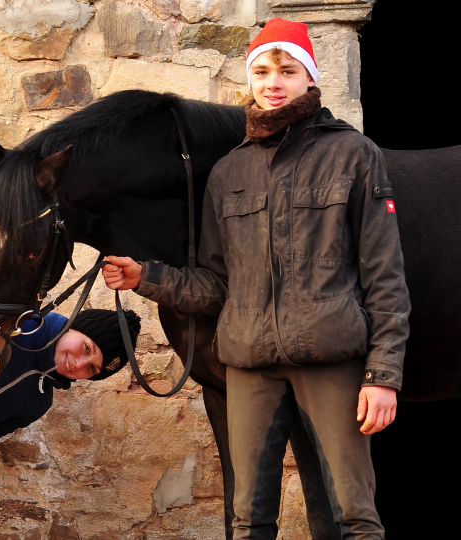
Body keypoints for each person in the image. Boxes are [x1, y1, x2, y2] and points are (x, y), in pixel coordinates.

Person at [102, 17, 410, 539]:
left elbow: (385, 276)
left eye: (287, 70)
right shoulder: (228, 172)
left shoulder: (353, 154)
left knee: (353, 514)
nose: (274, 81)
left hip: (331, 358)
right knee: (247, 516)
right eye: (263, 70)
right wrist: (145, 278)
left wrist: (383, 376)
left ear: (309, 79)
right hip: (248, 365)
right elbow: (217, 285)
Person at [0, 309, 141, 450]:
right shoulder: (14, 324)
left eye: (92, 368)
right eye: (87, 348)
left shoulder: (38, 404)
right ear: (74, 327)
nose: (79, 364)